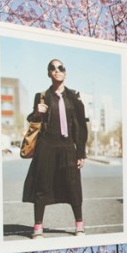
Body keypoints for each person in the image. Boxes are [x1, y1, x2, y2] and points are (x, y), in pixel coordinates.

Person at [22, 58, 88, 238]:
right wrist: (37, 113)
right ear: (49, 73)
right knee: (42, 185)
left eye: (60, 68)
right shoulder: (41, 96)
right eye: (53, 68)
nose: (57, 70)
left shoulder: (74, 96)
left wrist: (81, 152)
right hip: (46, 146)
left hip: (67, 147)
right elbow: (34, 122)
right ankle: (38, 227)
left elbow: (80, 125)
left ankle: (79, 225)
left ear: (65, 72)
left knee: (74, 186)